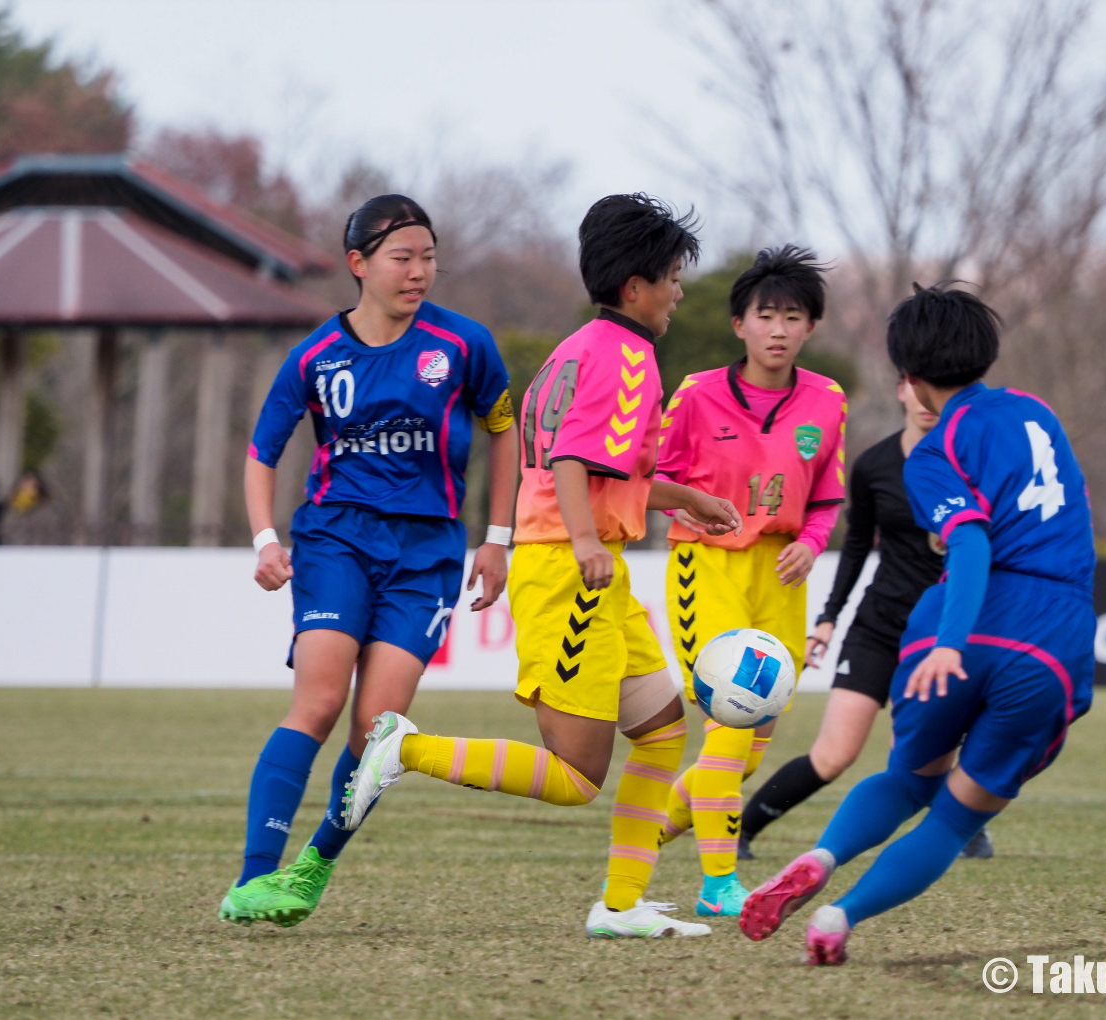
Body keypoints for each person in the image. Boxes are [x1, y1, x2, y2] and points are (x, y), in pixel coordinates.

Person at [343, 194, 743, 938]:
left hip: (592, 565)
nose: (680, 292)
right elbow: (568, 460)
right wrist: (590, 543)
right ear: (636, 287)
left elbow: (601, 473)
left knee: (661, 730)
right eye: (673, 278)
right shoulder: (625, 357)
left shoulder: (580, 347)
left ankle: (621, 906)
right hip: (571, 573)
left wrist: (685, 495)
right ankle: (404, 747)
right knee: (578, 777)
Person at [740, 283, 1096, 965]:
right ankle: (839, 918)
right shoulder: (1036, 411)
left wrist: (950, 644)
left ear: (907, 377)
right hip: (1049, 636)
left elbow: (966, 543)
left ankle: (822, 854)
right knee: (956, 815)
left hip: (945, 627)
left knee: (909, 777)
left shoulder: (927, 458)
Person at [218, 195, 517, 927]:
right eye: (403, 258)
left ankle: (312, 869)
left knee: (378, 730)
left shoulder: (466, 345)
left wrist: (498, 538)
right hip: (336, 539)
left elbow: (507, 433)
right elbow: (263, 452)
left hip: (428, 552)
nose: (421, 271)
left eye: (429, 256)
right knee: (319, 703)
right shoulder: (317, 356)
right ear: (359, 265)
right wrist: (264, 540)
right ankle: (256, 877)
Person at [654, 246, 847, 917]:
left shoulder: (828, 400)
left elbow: (826, 496)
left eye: (793, 316)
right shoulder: (697, 395)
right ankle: (718, 886)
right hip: (707, 567)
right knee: (731, 725)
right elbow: (646, 474)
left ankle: (643, 833)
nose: (779, 329)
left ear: (810, 327)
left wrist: (812, 543)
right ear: (739, 324)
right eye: (766, 315)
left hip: (781, 577)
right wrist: (692, 506)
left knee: (747, 752)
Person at [738, 371, 1000, 858]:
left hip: (941, 632)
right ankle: (744, 829)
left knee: (925, 750)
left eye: (935, 385)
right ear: (901, 388)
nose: (925, 398)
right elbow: (856, 547)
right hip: (880, 626)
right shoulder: (875, 464)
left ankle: (964, 822)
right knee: (834, 755)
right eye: (915, 383)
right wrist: (829, 617)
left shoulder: (974, 462)